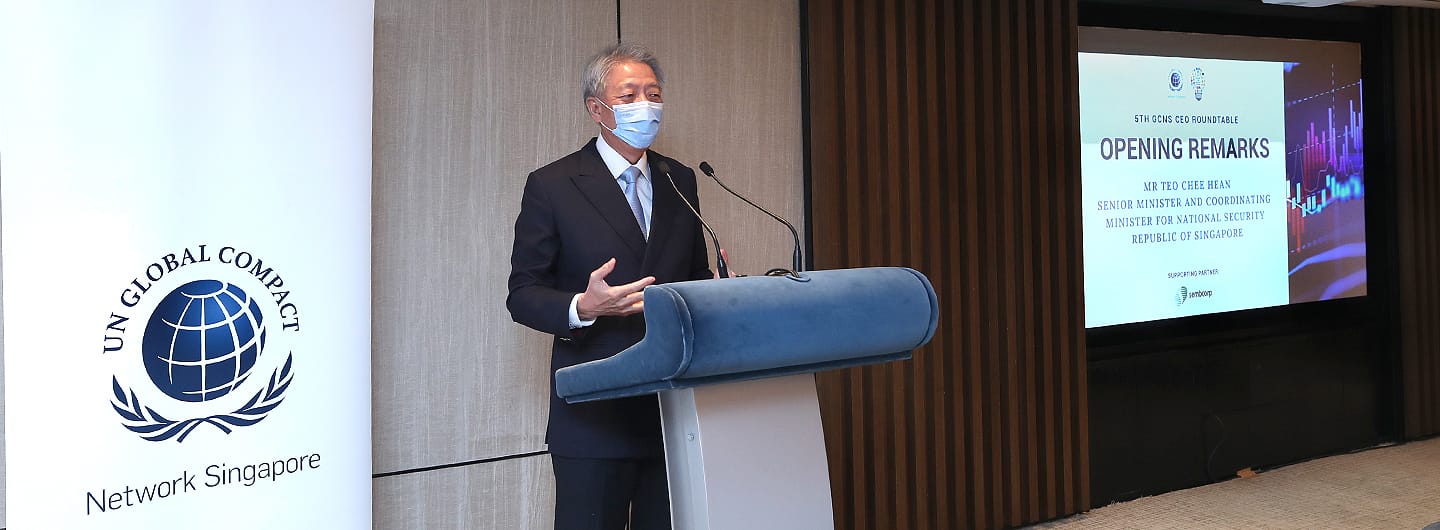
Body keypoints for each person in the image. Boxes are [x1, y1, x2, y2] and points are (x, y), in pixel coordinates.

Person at [506, 42, 712, 530]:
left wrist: (717, 290)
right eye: (629, 95)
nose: (646, 105)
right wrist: (584, 306)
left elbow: (694, 277)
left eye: (653, 94)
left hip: (670, 409)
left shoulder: (679, 179)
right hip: (594, 413)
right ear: (596, 109)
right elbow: (523, 293)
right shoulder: (553, 184)